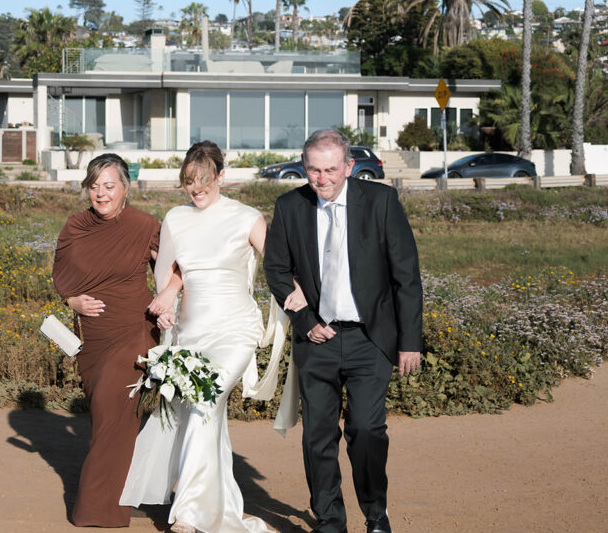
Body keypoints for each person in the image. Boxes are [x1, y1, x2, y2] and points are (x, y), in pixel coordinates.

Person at [264, 129, 423, 533]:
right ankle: (330, 519)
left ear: (349, 166)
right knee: (318, 436)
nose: (322, 179)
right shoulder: (289, 206)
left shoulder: (381, 202)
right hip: (317, 339)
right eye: (314, 170)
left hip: (371, 339)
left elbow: (407, 276)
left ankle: (375, 514)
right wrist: (305, 321)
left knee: (367, 430)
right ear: (304, 167)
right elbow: (277, 271)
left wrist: (409, 342)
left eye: (331, 169)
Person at [120, 141, 282, 533]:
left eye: (204, 180)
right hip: (191, 333)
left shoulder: (247, 218)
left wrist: (304, 297)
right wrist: (169, 294)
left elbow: (279, 264)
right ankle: (220, 501)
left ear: (221, 176)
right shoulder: (176, 217)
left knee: (205, 402)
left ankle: (189, 513)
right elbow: (176, 269)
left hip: (235, 330)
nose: (196, 189)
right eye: (189, 182)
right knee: (203, 414)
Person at [52, 153, 172, 528]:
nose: (101, 193)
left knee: (110, 405)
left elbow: (175, 266)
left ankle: (96, 508)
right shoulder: (75, 227)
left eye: (109, 186)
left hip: (135, 330)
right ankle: (131, 491)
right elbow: (61, 274)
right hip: (94, 339)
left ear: (125, 189)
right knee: (110, 414)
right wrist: (72, 300)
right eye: (94, 186)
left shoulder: (144, 225)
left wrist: (167, 297)